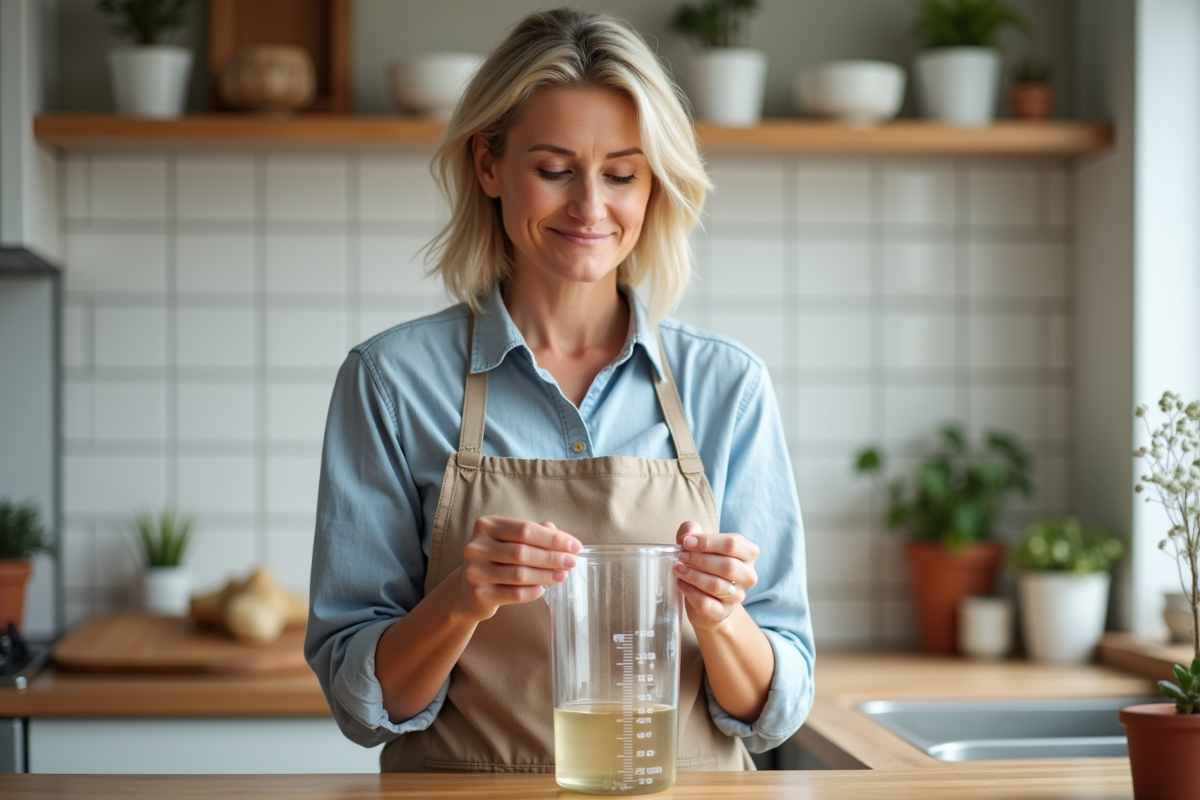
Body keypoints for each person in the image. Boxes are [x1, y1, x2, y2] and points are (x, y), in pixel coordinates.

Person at [305, 7, 814, 774]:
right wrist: (462, 598)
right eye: (553, 170)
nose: (590, 207)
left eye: (622, 175)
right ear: (488, 165)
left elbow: (775, 709)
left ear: (653, 186)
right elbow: (361, 705)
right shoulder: (390, 383)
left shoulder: (727, 387)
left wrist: (720, 619)